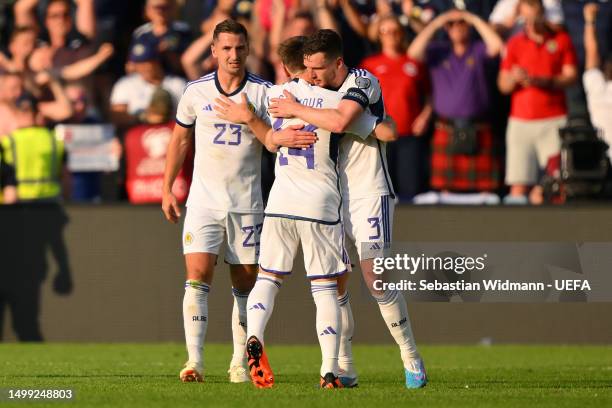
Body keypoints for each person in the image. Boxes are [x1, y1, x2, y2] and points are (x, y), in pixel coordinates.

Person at [268, 29, 426, 389]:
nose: (311, 76)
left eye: (319, 69)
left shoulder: (362, 80)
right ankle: (345, 368)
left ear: (338, 63)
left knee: (376, 280)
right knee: (334, 283)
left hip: (370, 192)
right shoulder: (312, 91)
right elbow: (381, 129)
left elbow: (340, 121)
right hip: (329, 196)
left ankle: (410, 355)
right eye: (307, 69)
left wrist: (295, 108)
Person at [161, 19, 316, 384]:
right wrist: (168, 188)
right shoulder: (195, 92)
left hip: (247, 204)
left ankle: (237, 363)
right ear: (213, 50)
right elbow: (179, 141)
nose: (233, 54)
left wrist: (250, 119)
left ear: (248, 49)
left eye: (239, 48)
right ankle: (194, 362)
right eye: (226, 48)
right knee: (197, 277)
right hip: (203, 202)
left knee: (244, 286)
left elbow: (276, 140)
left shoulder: (263, 93)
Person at [408, 9, 503, 200]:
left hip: (478, 128)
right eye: (452, 25)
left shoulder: (478, 49)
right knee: (445, 190)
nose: (457, 27)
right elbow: (413, 53)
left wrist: (473, 18)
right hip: (446, 128)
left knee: (486, 192)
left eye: (462, 23)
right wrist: (438, 22)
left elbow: (497, 46)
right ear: (447, 29)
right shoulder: (438, 51)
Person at [498, 0, 577, 204]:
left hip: (553, 120)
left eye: (534, 16)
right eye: (526, 18)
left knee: (557, 179)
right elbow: (503, 84)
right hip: (520, 121)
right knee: (518, 183)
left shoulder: (560, 39)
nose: (531, 22)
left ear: (542, 13)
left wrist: (542, 81)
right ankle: (515, 233)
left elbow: (571, 76)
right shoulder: (515, 42)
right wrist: (514, 78)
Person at [361, 14, 432, 201]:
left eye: (395, 31)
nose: (391, 35)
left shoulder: (414, 64)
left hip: (409, 134)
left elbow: (430, 95)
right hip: (380, 134)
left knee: (410, 190)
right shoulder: (370, 65)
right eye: (386, 31)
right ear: (379, 35)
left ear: (402, 34)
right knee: (381, 190)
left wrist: (425, 116)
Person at [110, 40, 185, 131]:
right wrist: (143, 117)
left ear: (157, 61)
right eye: (138, 63)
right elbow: (117, 116)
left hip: (171, 131)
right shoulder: (125, 84)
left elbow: (190, 115)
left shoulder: (177, 84)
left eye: (147, 61)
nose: (143, 67)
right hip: (137, 133)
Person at [132, 0, 192, 76]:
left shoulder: (183, 31)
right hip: (144, 80)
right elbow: (130, 66)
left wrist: (168, 53)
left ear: (173, 8)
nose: (159, 11)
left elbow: (188, 64)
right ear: (147, 10)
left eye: (164, 7)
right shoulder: (140, 33)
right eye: (155, 8)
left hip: (174, 78)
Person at [583, 2, 612, 153]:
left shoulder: (597, 91)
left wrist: (589, 21)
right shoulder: (598, 90)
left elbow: (591, 52)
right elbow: (592, 53)